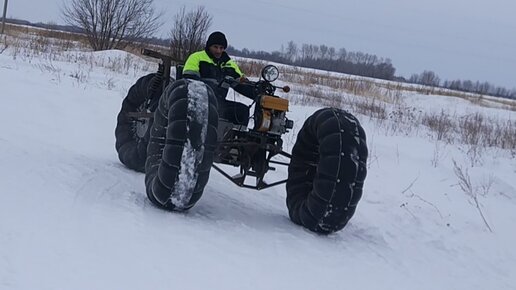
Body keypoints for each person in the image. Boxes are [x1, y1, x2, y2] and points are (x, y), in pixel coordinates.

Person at [182, 31, 250, 126]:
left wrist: (257, 91)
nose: (218, 51)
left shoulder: (229, 64)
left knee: (242, 111)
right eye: (215, 47)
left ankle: (237, 137)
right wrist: (213, 84)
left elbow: (241, 83)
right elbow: (190, 80)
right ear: (209, 46)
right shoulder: (196, 57)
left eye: (221, 48)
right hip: (198, 102)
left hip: (220, 104)